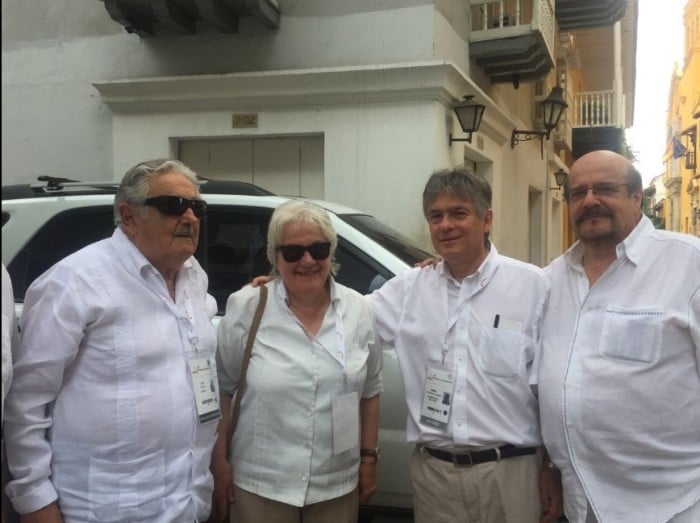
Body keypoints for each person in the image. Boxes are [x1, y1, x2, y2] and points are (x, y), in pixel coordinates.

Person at [3, 159, 221, 523]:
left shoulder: (193, 277)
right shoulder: (75, 281)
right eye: (173, 205)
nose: (190, 217)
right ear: (128, 216)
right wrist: (35, 499)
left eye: (197, 207)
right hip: (103, 509)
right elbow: (26, 399)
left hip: (186, 503)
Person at [366, 167, 561, 523]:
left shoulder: (533, 286)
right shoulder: (408, 289)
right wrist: (276, 290)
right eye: (435, 216)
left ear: (486, 220)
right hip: (436, 478)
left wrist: (552, 465)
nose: (445, 225)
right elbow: (342, 317)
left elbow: (552, 385)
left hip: (511, 475)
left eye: (458, 213)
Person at [538, 149, 700, 523]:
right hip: (580, 503)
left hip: (673, 506)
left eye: (605, 189)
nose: (590, 200)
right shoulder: (549, 281)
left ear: (636, 196)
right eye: (578, 193)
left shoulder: (689, 265)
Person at [212, 200, 382, 523]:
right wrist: (219, 462)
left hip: (336, 485)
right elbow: (222, 388)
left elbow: (371, 391)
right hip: (262, 487)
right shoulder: (247, 306)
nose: (307, 260)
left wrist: (369, 459)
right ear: (275, 256)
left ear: (331, 252)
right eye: (292, 252)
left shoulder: (359, 310)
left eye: (318, 249)